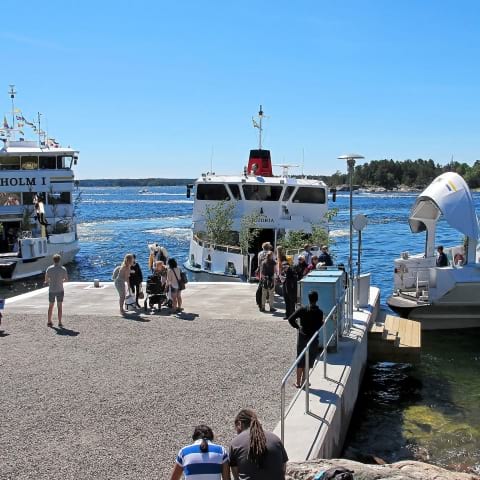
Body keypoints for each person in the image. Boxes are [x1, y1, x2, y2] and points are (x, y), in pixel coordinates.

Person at [229, 408, 288, 479]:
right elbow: (283, 467)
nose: (237, 432)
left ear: (239, 424)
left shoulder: (235, 443)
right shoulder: (275, 439)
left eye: (236, 428)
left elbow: (236, 476)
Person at [288, 290, 324, 388]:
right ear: (317, 300)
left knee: (300, 358)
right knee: (309, 359)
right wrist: (322, 323)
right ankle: (305, 381)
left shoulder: (302, 309)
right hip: (313, 338)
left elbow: (290, 319)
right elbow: (319, 325)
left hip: (303, 337)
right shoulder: (319, 312)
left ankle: (298, 382)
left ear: (308, 299)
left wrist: (298, 327)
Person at [45, 253, 68, 327]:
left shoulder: (49, 268)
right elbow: (66, 279)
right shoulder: (63, 269)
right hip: (60, 289)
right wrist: (61, 281)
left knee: (51, 306)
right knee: (59, 306)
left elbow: (46, 280)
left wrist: (50, 282)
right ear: (59, 260)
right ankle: (60, 322)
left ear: (53, 260)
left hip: (52, 290)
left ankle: (49, 321)